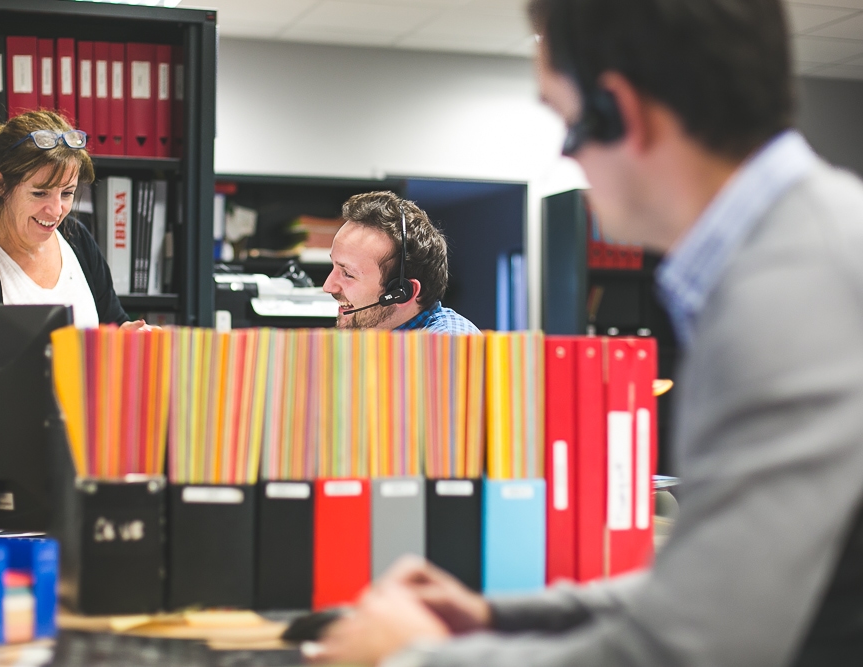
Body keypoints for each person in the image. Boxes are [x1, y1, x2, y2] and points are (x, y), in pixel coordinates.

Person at [315, 0, 863, 666]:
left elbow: (695, 646)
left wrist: (417, 655)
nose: (564, 155)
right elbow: (700, 587)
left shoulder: (789, 290)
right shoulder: (800, 248)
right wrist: (496, 614)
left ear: (619, 114)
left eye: (567, 122)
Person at [0, 110, 148, 330]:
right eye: (40, 193)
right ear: (1, 184)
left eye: (67, 193)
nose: (56, 211)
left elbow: (112, 324)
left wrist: (127, 336)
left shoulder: (77, 238)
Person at [323, 191, 479, 333]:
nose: (327, 286)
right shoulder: (375, 336)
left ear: (402, 293)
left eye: (348, 274)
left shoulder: (446, 346)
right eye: (334, 265)